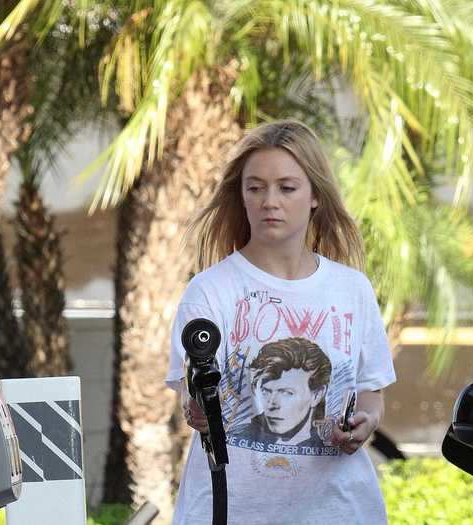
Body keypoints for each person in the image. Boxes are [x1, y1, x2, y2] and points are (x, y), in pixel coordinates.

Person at [166, 119, 396, 525]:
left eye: (287, 188)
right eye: (255, 188)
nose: (269, 200)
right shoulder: (210, 290)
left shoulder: (352, 289)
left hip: (339, 511)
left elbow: (370, 393)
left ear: (314, 197)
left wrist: (365, 423)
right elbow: (190, 393)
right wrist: (198, 408)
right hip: (229, 512)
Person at [234, 337, 331, 448]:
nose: (272, 405)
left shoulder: (331, 438)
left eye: (287, 393)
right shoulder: (238, 434)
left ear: (317, 395)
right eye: (266, 391)